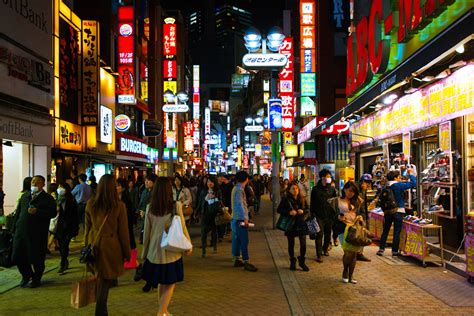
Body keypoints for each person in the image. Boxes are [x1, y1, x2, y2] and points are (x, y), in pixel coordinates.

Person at [141, 177, 191, 315]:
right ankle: (162, 312)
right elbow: (182, 226)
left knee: (162, 282)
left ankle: (164, 311)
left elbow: (146, 234)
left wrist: (144, 254)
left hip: (154, 251)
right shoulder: (175, 205)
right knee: (169, 282)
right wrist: (188, 244)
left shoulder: (150, 207)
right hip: (171, 250)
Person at [84, 174, 131, 315]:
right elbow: (123, 232)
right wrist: (127, 253)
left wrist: (86, 247)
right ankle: (100, 313)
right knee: (104, 283)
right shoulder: (119, 206)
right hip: (111, 247)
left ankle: (102, 312)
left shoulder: (91, 204)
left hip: (94, 245)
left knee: (101, 280)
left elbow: (87, 229)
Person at [11, 175, 57, 288]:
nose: (34, 185)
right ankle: (26, 275)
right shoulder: (25, 196)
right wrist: (14, 228)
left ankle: (37, 278)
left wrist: (38, 211)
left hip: (37, 233)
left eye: (37, 183)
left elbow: (53, 213)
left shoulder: (48, 199)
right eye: (32, 182)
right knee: (17, 255)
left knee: (36, 257)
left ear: (43, 185)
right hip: (21, 231)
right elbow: (18, 212)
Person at [377, 169, 417, 257]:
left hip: (387, 212)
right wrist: (411, 174)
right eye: (399, 177)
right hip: (398, 211)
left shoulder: (385, 186)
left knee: (385, 230)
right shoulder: (398, 185)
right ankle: (394, 251)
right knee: (397, 231)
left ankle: (381, 249)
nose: (400, 178)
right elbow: (413, 183)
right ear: (395, 178)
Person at [277, 183, 310, 271]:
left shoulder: (302, 199)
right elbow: (279, 210)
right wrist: (289, 212)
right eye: (293, 189)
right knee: (291, 244)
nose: (295, 190)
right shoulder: (286, 199)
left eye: (296, 188)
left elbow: (308, 209)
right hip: (291, 224)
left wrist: (303, 211)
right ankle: (292, 261)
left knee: (303, 244)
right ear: (289, 190)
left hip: (301, 223)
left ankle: (302, 261)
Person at [231, 171, 258, 272]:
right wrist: (245, 218)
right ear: (246, 179)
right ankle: (246, 261)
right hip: (240, 219)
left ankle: (236, 258)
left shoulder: (236, 188)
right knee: (244, 240)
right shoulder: (239, 190)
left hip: (235, 218)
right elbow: (240, 205)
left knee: (237, 240)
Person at [310, 169, 337, 263]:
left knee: (328, 234)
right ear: (322, 177)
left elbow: (335, 201)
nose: (329, 178)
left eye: (329, 176)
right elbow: (312, 203)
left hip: (329, 215)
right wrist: (312, 214)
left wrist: (335, 213)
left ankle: (325, 249)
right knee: (319, 234)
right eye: (327, 176)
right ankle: (319, 254)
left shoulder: (332, 189)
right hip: (318, 215)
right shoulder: (315, 189)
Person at [55, 183, 79, 273]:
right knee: (61, 245)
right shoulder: (57, 200)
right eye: (58, 187)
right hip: (59, 226)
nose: (59, 189)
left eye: (61, 187)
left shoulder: (71, 200)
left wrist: (75, 228)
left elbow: (75, 215)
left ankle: (62, 263)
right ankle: (64, 260)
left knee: (65, 245)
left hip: (68, 226)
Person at [196, 176, 221, 257]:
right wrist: (197, 211)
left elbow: (220, 201)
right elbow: (200, 201)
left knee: (214, 232)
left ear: (214, 183)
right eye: (208, 182)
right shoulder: (203, 191)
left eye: (211, 182)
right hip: (205, 213)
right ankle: (203, 250)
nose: (209, 183)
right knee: (203, 232)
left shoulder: (217, 191)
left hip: (214, 214)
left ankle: (214, 247)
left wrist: (212, 199)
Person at [341, 215, 367, 284]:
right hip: (345, 230)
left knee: (354, 256)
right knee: (348, 255)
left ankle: (350, 275)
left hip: (356, 236)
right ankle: (345, 271)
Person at [357, 174, 376, 262]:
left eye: (368, 183)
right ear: (361, 182)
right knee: (357, 235)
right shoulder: (356, 190)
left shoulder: (364, 191)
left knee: (362, 235)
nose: (368, 185)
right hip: (357, 217)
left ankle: (359, 253)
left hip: (363, 215)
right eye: (366, 182)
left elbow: (364, 205)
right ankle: (356, 253)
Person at [117, 178, 137, 253]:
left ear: (123, 187)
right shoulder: (116, 198)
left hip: (127, 222)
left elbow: (129, 212)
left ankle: (132, 256)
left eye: (118, 185)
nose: (116, 187)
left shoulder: (126, 199)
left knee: (129, 237)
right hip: (121, 223)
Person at [138, 174, 157, 243]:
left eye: (148, 181)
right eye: (145, 180)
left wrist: (145, 213)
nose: (146, 182)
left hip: (150, 218)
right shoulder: (144, 190)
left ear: (154, 182)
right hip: (143, 216)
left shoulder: (156, 193)